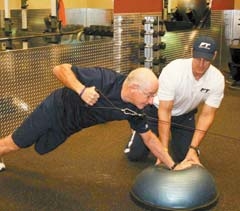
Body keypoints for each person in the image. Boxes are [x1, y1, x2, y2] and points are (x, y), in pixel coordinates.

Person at [0, 64, 193, 172]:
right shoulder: (102, 79)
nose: (152, 101)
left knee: (42, 147)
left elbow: (149, 137)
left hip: (70, 126)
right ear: (134, 88)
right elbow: (59, 69)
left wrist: (173, 166)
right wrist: (81, 90)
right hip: (55, 109)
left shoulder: (135, 109)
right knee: (18, 142)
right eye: (149, 95)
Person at [125, 36, 225, 165]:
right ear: (191, 52)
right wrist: (163, 150)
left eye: (206, 60)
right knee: (135, 155)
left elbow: (206, 115)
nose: (201, 64)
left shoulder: (217, 79)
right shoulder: (174, 70)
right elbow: (165, 111)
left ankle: (177, 140)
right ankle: (138, 131)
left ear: (214, 55)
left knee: (186, 156)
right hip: (156, 112)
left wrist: (193, 148)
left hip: (184, 116)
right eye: (198, 58)